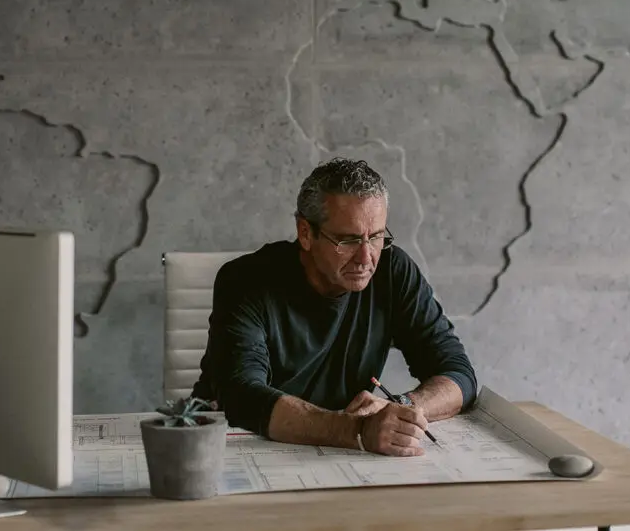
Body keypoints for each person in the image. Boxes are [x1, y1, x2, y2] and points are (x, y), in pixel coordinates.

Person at [191, 157, 477, 457]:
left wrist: (403, 409)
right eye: (348, 240)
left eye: (377, 237)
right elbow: (242, 397)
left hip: (336, 453)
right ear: (305, 233)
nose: (366, 258)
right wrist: (357, 430)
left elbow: (458, 375)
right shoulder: (245, 280)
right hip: (239, 445)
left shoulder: (392, 271)